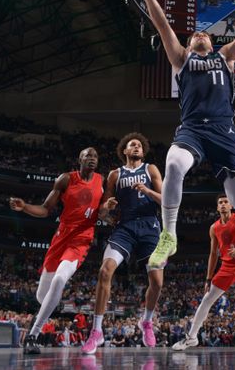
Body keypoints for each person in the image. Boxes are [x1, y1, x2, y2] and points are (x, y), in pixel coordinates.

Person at [130, 0, 235, 270]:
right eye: (195, 35)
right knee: (174, 164)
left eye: (204, 34)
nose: (200, 34)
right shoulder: (181, 58)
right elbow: (161, 23)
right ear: (190, 44)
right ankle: (169, 235)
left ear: (212, 42)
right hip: (192, 128)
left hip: (223, 130)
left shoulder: (226, 56)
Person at [9, 147, 105, 355]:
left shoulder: (101, 181)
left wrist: (108, 213)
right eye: (88, 155)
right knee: (42, 296)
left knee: (60, 280)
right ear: (79, 158)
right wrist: (24, 206)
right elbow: (45, 209)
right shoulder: (65, 179)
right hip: (60, 239)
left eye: (95, 156)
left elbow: (104, 211)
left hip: (81, 241)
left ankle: (33, 335)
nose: (92, 159)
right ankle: (44, 310)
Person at [82, 133, 164, 353]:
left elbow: (167, 200)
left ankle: (146, 321)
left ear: (142, 151)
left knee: (156, 282)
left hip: (149, 227)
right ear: (125, 151)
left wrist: (147, 191)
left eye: (139, 145)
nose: (136, 147)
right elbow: (102, 212)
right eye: (132, 145)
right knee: (104, 271)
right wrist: (107, 207)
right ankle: (96, 331)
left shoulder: (151, 169)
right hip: (125, 227)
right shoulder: (115, 175)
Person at [172, 195, 235, 352]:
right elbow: (213, 254)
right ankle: (191, 338)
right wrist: (208, 278)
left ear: (231, 205)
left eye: (226, 202)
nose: (223, 204)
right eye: (220, 202)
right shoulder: (214, 228)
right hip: (226, 267)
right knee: (206, 299)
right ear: (217, 207)